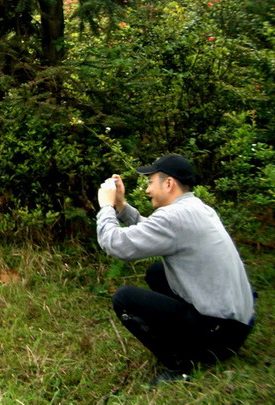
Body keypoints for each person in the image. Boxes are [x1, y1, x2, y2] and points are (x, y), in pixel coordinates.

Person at [96, 154, 255, 385]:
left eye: (150, 182)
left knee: (124, 299)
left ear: (168, 183)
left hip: (220, 337)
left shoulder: (174, 217)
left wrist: (106, 206)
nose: (147, 190)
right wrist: (121, 206)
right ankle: (193, 338)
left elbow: (116, 245)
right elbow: (153, 231)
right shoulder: (197, 207)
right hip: (237, 324)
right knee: (156, 272)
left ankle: (180, 364)